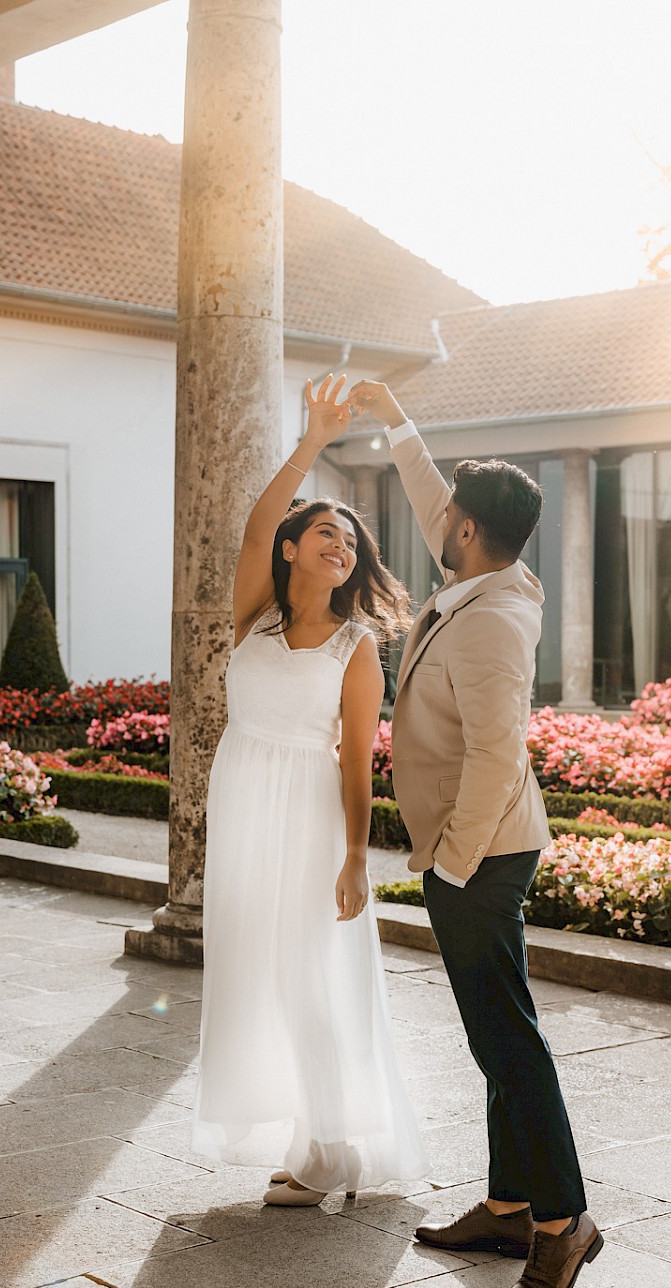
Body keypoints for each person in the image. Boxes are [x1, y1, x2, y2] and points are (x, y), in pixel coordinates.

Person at [347, 379, 601, 1288]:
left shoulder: (492, 620)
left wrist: (450, 863)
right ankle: (506, 1205)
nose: (433, 517)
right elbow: (427, 493)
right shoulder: (480, 575)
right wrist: (391, 414)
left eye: (446, 511)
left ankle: (562, 1220)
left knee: (509, 1042)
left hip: (482, 856)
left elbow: (501, 754)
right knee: (497, 1034)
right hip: (479, 851)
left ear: (466, 530)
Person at [191, 375, 427, 1205]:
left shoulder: (357, 646)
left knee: (310, 976)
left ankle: (333, 1149)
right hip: (246, 800)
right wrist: (312, 442)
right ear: (293, 549)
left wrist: (357, 857)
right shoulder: (254, 615)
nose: (342, 546)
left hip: (312, 815)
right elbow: (258, 522)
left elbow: (359, 760)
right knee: (259, 969)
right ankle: (321, 1142)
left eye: (352, 543)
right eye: (326, 533)